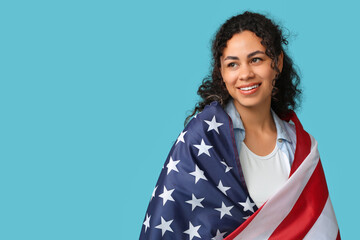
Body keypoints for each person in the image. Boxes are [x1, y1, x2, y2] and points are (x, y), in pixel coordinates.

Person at [140, 11, 340, 240]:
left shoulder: (302, 147)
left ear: (278, 63)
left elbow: (320, 230)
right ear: (222, 73)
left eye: (256, 59)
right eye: (233, 64)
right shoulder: (200, 140)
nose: (245, 74)